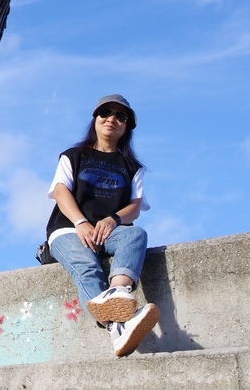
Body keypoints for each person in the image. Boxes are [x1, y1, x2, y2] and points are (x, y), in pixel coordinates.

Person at [44, 94, 159, 357]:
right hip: (68, 229)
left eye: (121, 116)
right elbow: (61, 192)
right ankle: (117, 327)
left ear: (127, 126)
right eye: (105, 112)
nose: (112, 119)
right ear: (95, 119)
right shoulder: (73, 156)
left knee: (135, 234)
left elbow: (135, 206)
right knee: (88, 268)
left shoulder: (132, 167)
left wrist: (113, 219)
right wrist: (81, 222)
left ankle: (118, 292)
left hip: (108, 231)